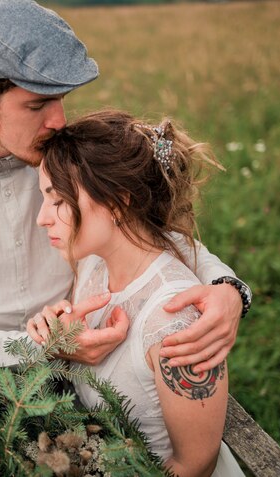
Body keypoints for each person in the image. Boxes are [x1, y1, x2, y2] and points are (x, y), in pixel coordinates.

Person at [0, 0, 250, 390]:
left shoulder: (58, 149)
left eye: (60, 99)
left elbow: (136, 230)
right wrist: (46, 346)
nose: (58, 121)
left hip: (95, 380)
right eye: (37, 105)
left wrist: (227, 287)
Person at [28, 109, 245, 476]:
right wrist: (53, 336)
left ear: (116, 201)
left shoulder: (175, 323)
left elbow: (195, 464)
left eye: (58, 200)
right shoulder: (94, 265)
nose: (41, 218)